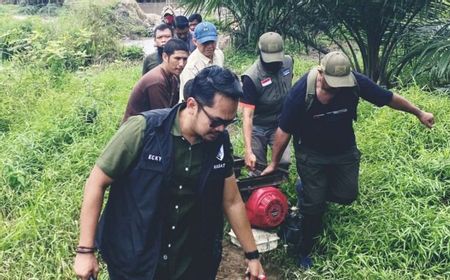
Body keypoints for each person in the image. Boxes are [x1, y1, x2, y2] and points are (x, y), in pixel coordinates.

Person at [73, 66, 266, 280]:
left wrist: (252, 255)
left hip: (188, 262)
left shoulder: (218, 142)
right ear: (192, 105)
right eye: (216, 121)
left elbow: (231, 200)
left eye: (229, 123)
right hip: (136, 258)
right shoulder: (144, 130)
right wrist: (85, 250)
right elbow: (96, 182)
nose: (222, 130)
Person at [262, 51, 435, 269]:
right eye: (332, 83)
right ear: (321, 72)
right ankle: (305, 249)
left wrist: (419, 113)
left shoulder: (353, 83)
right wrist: (274, 163)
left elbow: (387, 97)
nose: (336, 88)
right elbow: (283, 131)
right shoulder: (301, 93)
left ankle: (312, 190)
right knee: (313, 207)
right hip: (311, 154)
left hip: (343, 151)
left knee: (347, 194)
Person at [240, 32, 294, 173]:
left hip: (279, 123)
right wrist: (248, 150)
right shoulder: (251, 78)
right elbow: (248, 116)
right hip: (258, 126)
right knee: (257, 165)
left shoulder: (288, 62)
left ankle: (278, 186)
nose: (274, 63)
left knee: (284, 161)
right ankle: (260, 191)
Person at [122, 38, 189, 123]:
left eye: (185, 59)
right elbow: (162, 118)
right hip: (137, 129)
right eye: (177, 58)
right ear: (165, 57)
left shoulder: (174, 78)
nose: (181, 64)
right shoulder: (157, 81)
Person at [179, 21, 224, 102]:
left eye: (212, 42)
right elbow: (189, 97)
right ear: (195, 42)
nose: (210, 46)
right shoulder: (191, 67)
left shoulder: (219, 54)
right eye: (205, 43)